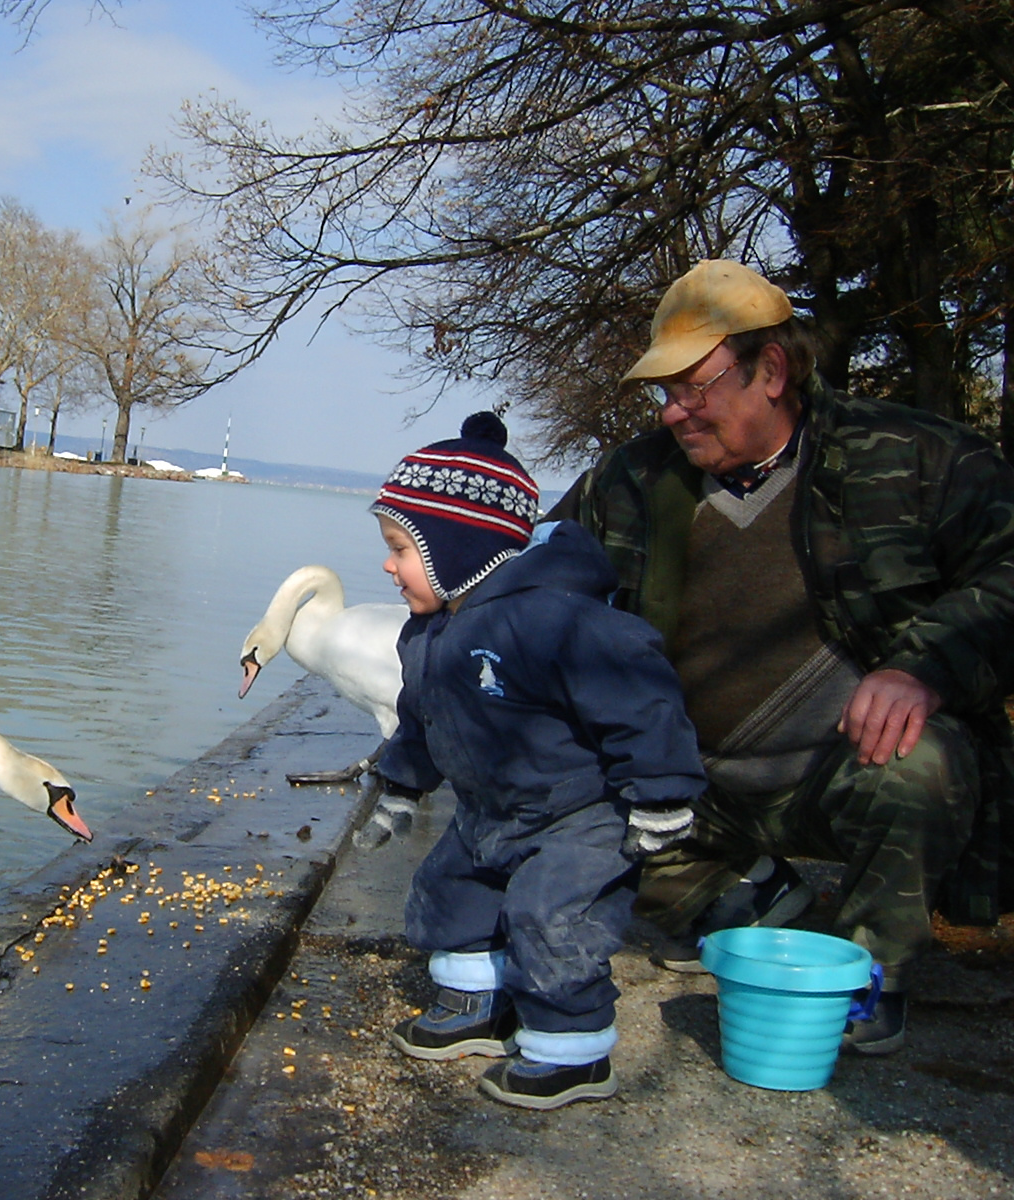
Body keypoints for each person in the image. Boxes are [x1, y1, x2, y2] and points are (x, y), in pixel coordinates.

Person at [548, 259, 1014, 1056]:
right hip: (686, 787)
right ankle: (746, 898)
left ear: (772, 370)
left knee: (919, 761)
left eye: (694, 388)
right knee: (543, 777)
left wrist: (923, 668)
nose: (673, 414)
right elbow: (539, 591)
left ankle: (869, 973)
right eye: (664, 394)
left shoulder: (914, 458)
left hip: (841, 774)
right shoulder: (628, 482)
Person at [368, 412, 706, 1110]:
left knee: (553, 915)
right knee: (449, 888)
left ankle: (571, 1051)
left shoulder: (553, 618)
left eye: (400, 548)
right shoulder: (431, 633)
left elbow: (638, 692)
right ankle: (477, 1003)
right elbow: (420, 713)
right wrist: (401, 785)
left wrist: (662, 793)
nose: (387, 565)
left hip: (576, 813)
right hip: (490, 807)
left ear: (458, 548)